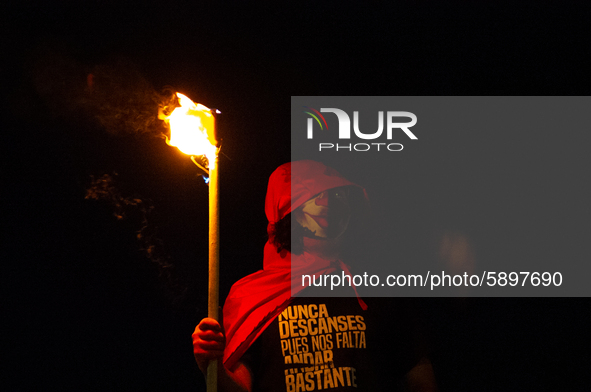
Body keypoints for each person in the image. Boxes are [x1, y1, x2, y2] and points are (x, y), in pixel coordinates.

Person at [193, 160, 437, 391]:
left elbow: (419, 377)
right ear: (287, 212)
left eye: (338, 195)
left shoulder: (375, 286)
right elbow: (239, 386)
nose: (328, 204)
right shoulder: (249, 294)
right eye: (315, 195)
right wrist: (211, 363)